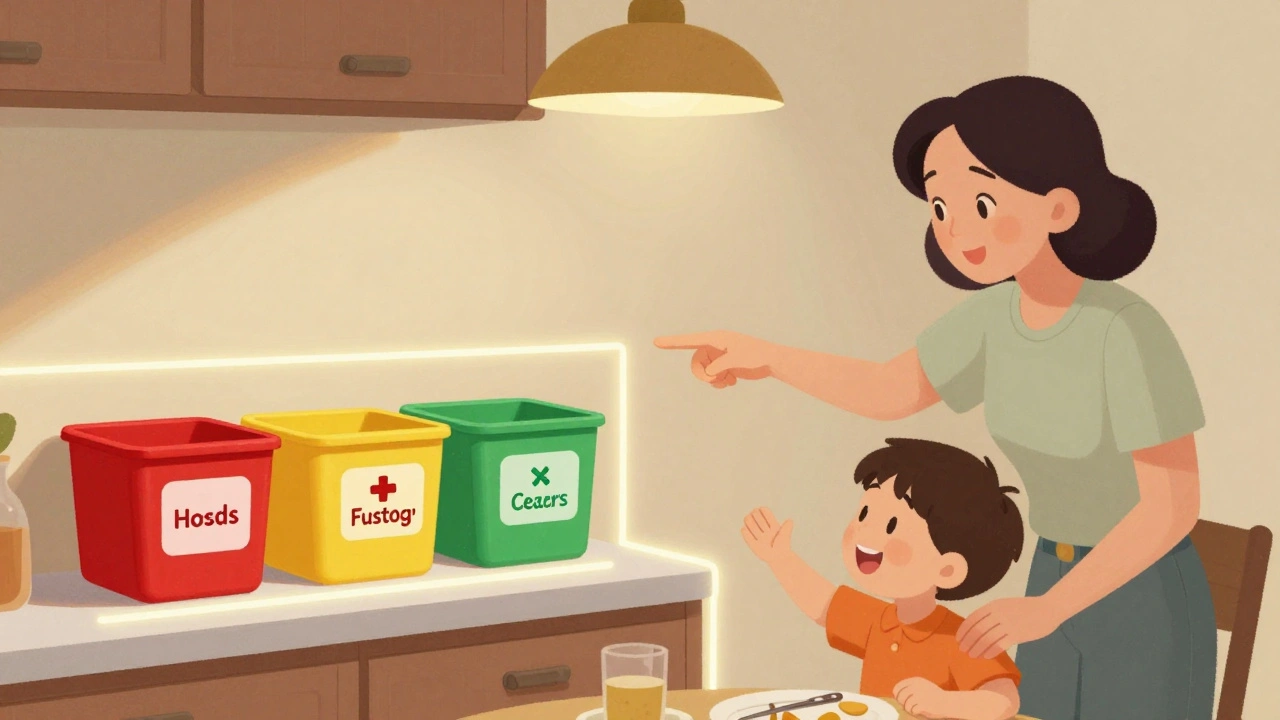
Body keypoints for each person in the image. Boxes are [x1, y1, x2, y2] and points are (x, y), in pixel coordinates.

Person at [657, 75, 1216, 720]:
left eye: (980, 201)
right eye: (939, 205)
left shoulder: (1127, 331)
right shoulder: (990, 319)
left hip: (1138, 593)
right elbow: (888, 389)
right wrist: (771, 358)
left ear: (1059, 207)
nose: (953, 227)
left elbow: (1172, 506)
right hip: (1048, 572)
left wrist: (1049, 610)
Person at [742, 438, 1025, 720]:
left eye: (892, 526)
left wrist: (943, 704)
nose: (866, 535)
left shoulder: (961, 639)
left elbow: (1004, 700)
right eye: (865, 514)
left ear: (947, 569)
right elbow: (825, 605)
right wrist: (780, 558)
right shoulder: (880, 621)